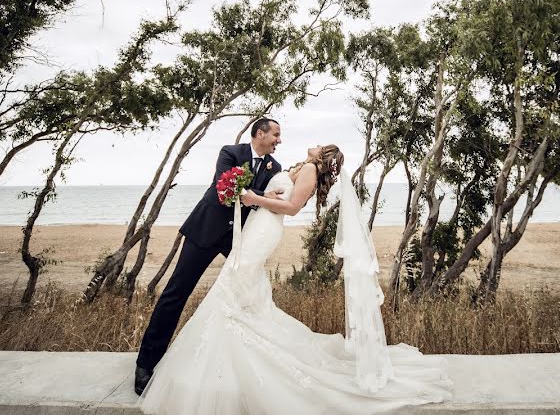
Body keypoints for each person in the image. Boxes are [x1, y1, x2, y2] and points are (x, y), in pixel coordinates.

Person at [137, 143, 453, 414]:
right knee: (239, 289)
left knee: (231, 287)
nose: (311, 144)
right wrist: (257, 196)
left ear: (323, 156)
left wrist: (253, 198)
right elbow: (278, 196)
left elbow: (290, 207)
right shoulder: (302, 167)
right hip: (258, 226)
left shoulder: (310, 171)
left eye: (319, 145)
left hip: (265, 228)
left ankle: (227, 357)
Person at [134, 117, 283, 395]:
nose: (279, 140)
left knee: (252, 293)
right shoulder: (230, 152)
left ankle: (251, 366)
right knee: (176, 293)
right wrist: (263, 192)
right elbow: (224, 189)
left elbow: (269, 202)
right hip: (205, 231)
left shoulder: (276, 167)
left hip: (238, 240)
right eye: (275, 134)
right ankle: (145, 364)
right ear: (260, 133)